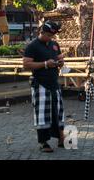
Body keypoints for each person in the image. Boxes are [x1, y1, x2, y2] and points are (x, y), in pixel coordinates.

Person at [23, 21, 66, 153]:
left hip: (54, 83)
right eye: (48, 35)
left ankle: (61, 138)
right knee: (42, 113)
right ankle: (44, 142)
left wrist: (60, 62)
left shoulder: (54, 44)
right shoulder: (33, 46)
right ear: (41, 32)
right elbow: (26, 64)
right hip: (40, 83)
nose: (50, 38)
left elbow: (59, 58)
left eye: (51, 36)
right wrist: (45, 64)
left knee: (58, 111)